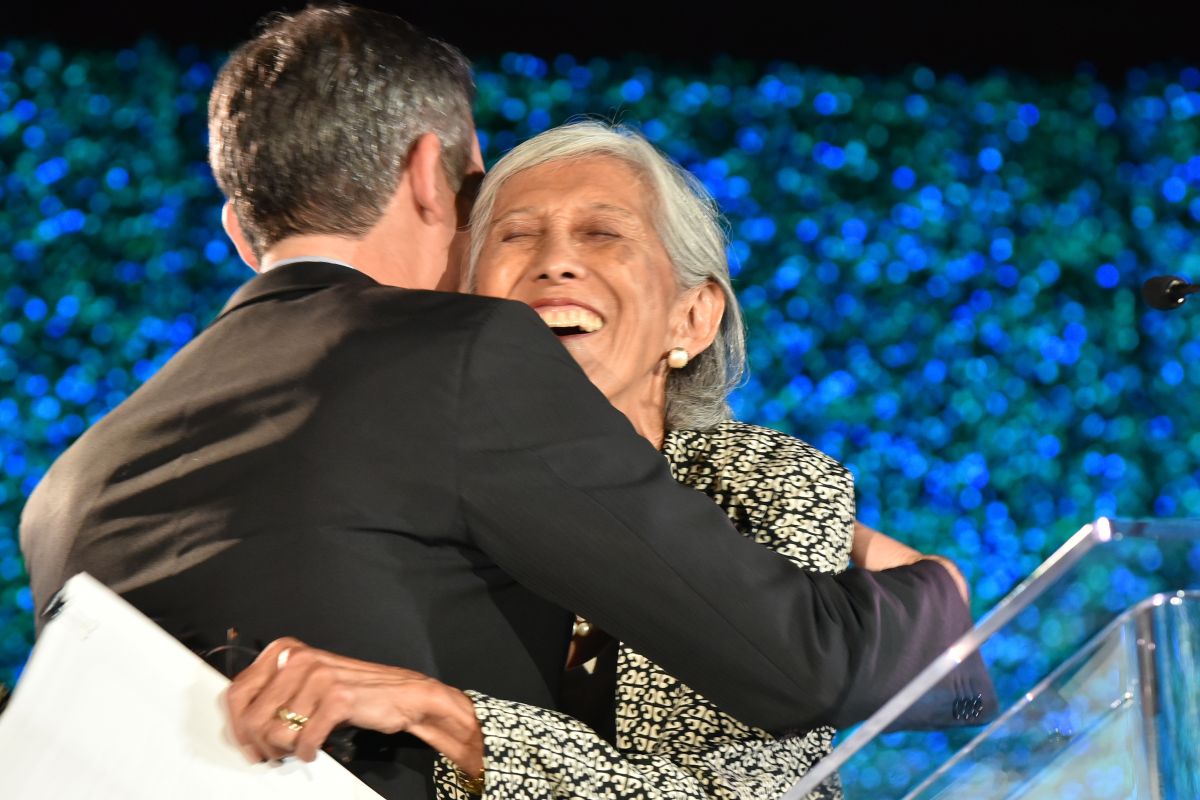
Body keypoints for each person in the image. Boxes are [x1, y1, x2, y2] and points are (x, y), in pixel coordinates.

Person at [19, 6, 985, 798]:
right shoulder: (455, 367)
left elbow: (824, 742)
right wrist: (939, 593)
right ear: (436, 179)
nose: (557, 261)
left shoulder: (68, 483)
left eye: (604, 234)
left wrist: (946, 612)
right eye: (510, 227)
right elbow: (803, 665)